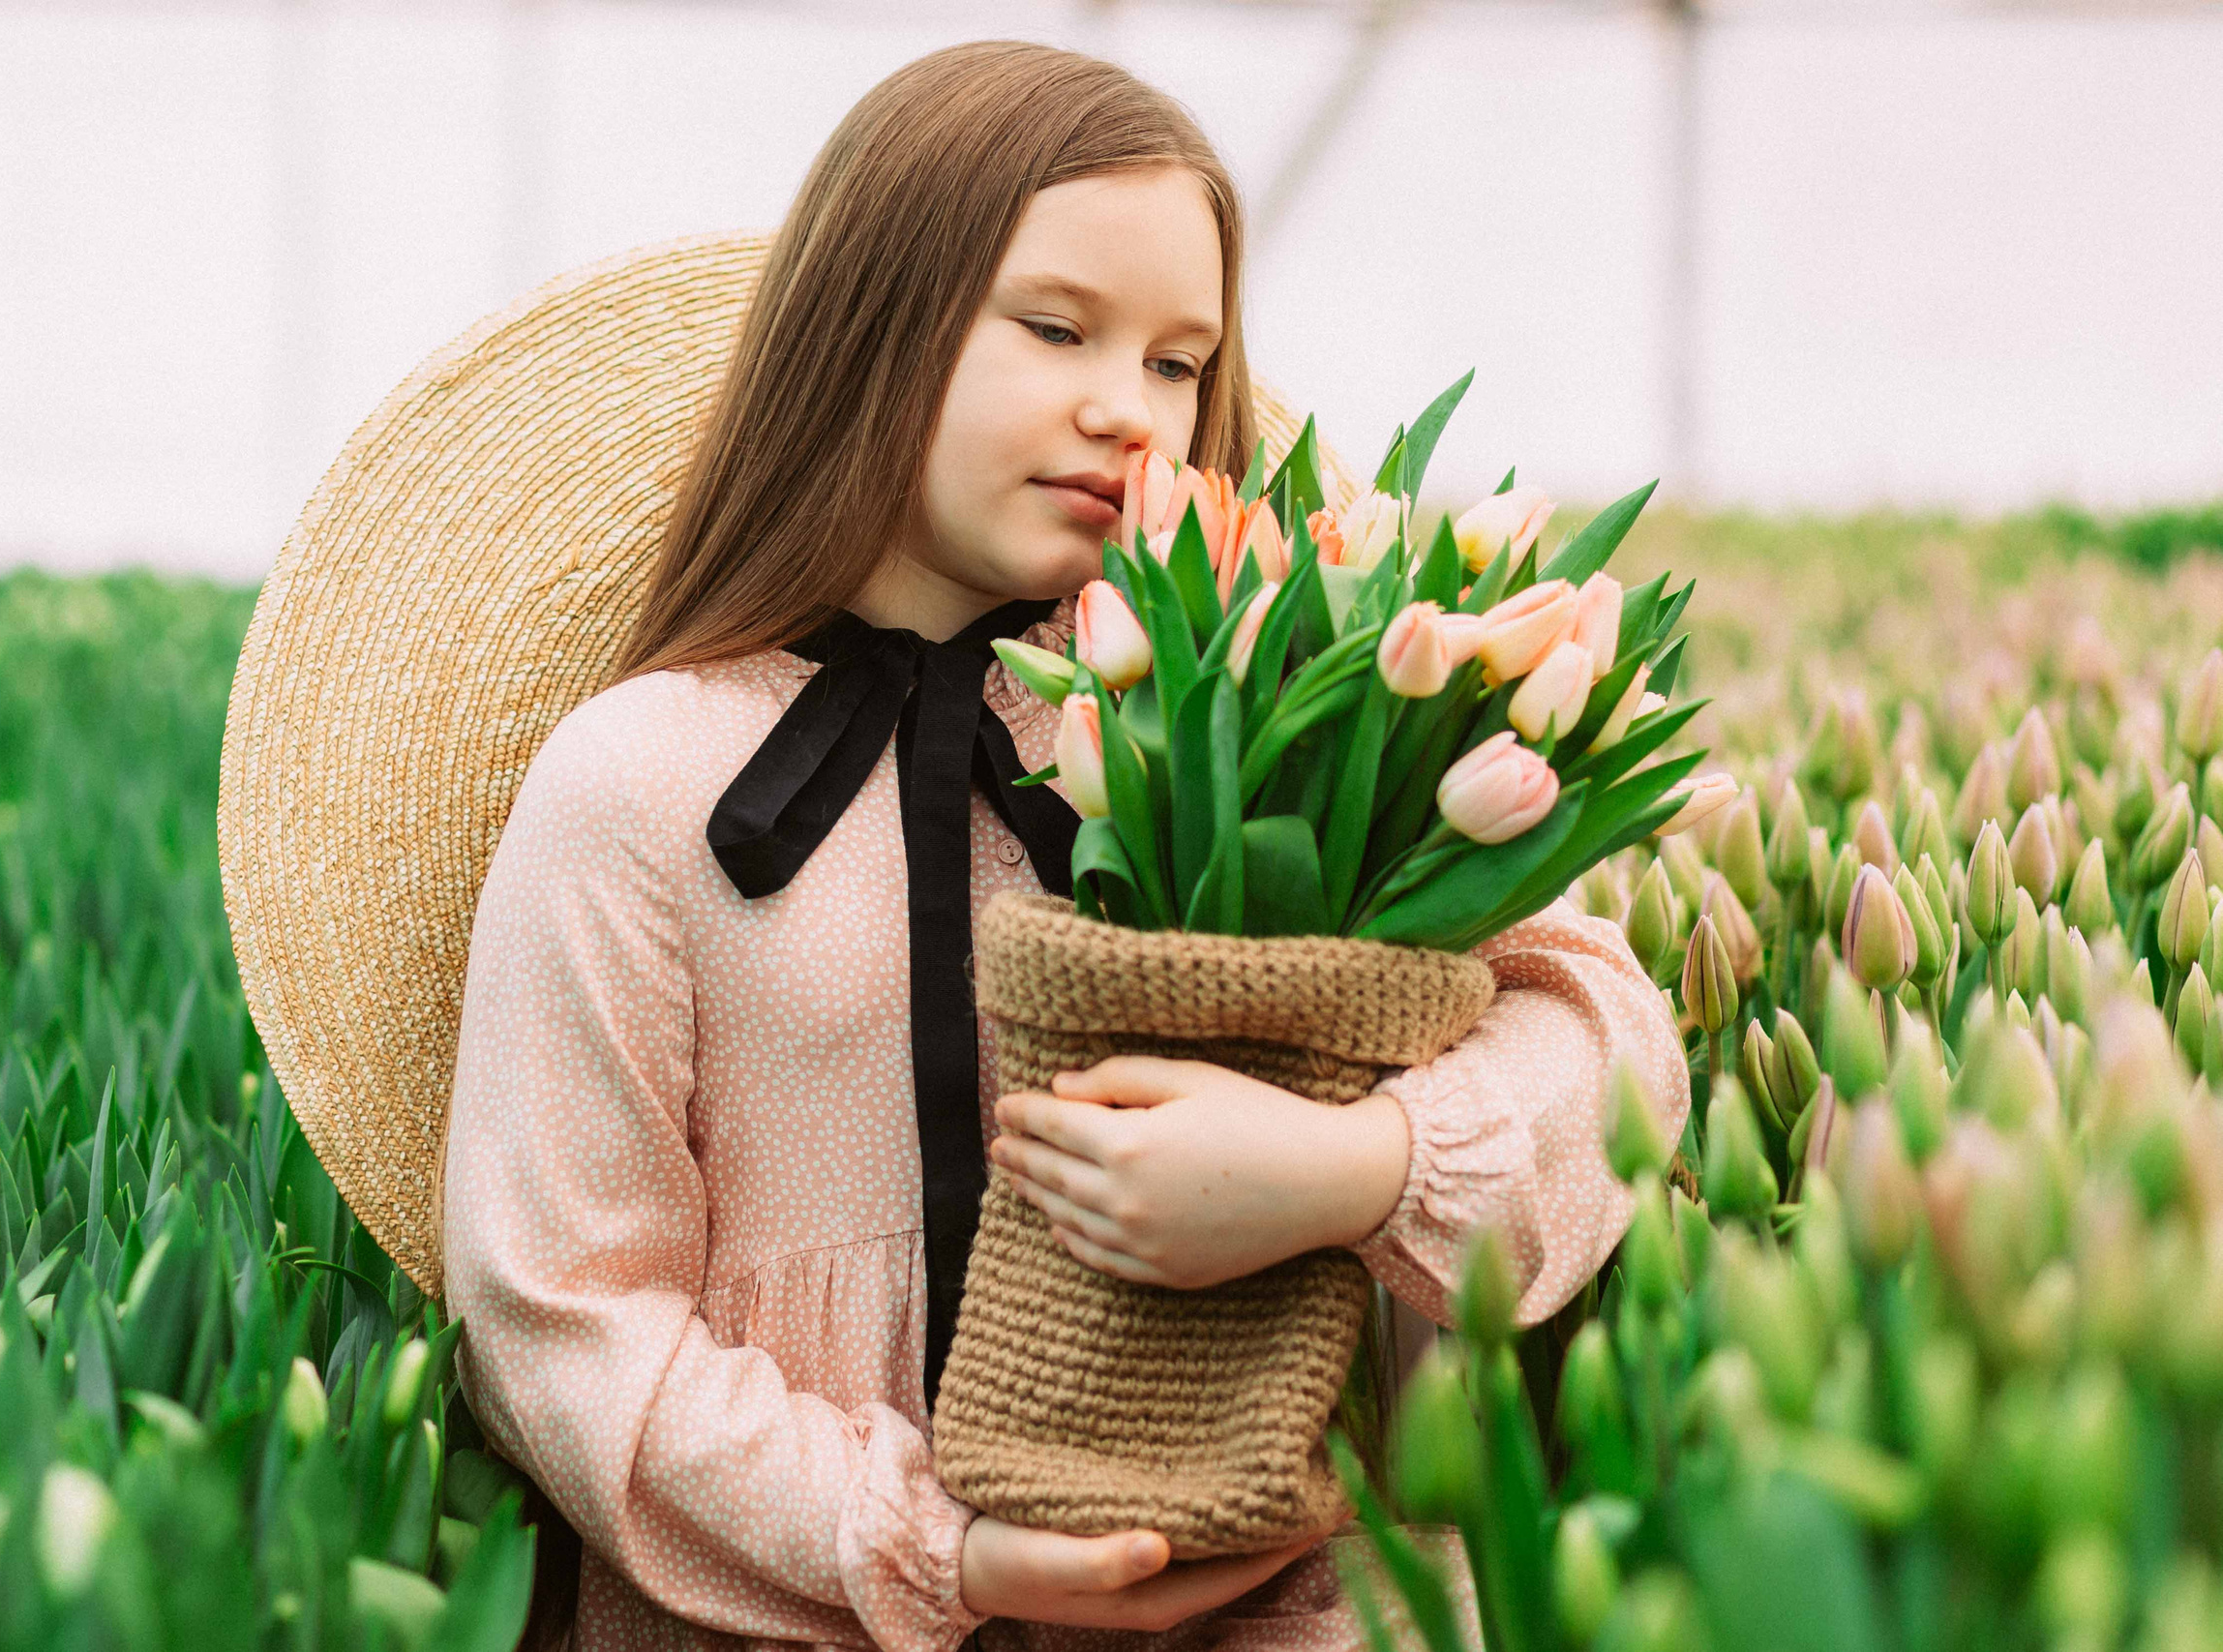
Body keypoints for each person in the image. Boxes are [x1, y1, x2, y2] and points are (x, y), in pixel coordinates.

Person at [438, 38, 1691, 1652]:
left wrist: (1348, 1175)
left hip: (1274, 1601)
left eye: (1182, 362)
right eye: (1054, 328)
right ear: (872, 324)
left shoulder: (1253, 711)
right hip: (788, 1616)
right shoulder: (642, 785)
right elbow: (557, 1319)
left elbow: (1617, 1046)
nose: (1130, 409)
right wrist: (930, 1549)